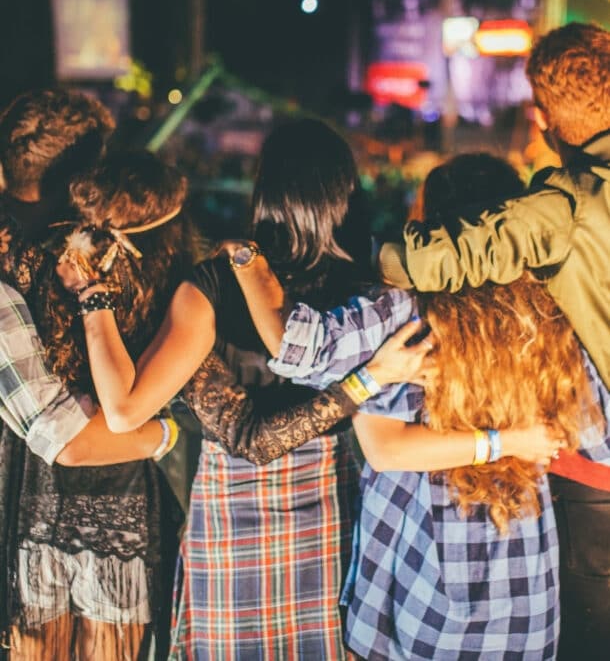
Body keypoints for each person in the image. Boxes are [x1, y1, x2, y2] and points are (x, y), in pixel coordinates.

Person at [55, 118, 434, 660]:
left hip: (233, 513)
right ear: (346, 195)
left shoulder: (216, 281)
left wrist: (93, 295)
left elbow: (125, 411)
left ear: (265, 194)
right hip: (336, 500)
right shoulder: (373, 292)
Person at [233, 153, 609, 659]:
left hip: (421, 574)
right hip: (520, 577)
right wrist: (521, 436)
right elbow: (597, 436)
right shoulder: (551, 309)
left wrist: (244, 257)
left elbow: (299, 349)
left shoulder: (402, 308)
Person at [378, 22, 610, 659]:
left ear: (546, 115)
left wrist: (359, 259)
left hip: (596, 490)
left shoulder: (570, 205)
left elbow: (432, 261)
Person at [0, 98, 185, 660]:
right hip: (112, 521)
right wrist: (168, 435)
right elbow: (72, 443)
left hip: (34, 529)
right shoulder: (130, 259)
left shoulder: (21, 257)